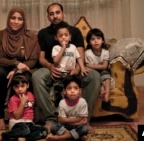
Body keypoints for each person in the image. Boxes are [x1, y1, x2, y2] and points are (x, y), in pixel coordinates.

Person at [31, 2, 101, 133]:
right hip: (53, 68)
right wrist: (51, 66)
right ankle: (50, 119)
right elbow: (41, 58)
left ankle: (85, 120)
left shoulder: (75, 31)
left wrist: (77, 69)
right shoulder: (43, 33)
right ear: (48, 17)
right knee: (37, 76)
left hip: (72, 69)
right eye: (51, 14)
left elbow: (80, 54)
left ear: (63, 14)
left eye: (57, 13)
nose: (55, 16)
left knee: (94, 76)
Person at [0, 7, 40, 130]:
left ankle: (25, 117)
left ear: (24, 21)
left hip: (23, 68)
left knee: (26, 78)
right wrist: (15, 63)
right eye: (13, 18)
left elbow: (33, 59)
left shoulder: (31, 36)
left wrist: (17, 70)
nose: (16, 21)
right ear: (8, 19)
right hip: (5, 66)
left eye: (20, 19)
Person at [0, 73, 47, 141]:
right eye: (17, 87)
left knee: (44, 130)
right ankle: (3, 136)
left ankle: (23, 138)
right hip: (17, 123)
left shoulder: (30, 95)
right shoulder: (13, 99)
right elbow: (17, 116)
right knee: (25, 129)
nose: (20, 89)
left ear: (27, 85)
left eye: (22, 86)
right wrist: (22, 103)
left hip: (29, 124)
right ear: (13, 88)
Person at [51, 21, 88, 107]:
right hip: (60, 75)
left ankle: (74, 108)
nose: (63, 38)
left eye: (66, 35)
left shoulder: (73, 47)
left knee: (73, 92)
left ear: (70, 37)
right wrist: (63, 48)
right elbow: (55, 61)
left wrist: (82, 68)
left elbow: (78, 58)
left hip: (71, 75)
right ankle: (58, 111)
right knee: (59, 94)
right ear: (56, 38)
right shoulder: (56, 48)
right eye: (60, 36)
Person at [46, 75, 88, 141]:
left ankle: (60, 138)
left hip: (77, 126)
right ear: (64, 91)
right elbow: (60, 120)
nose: (72, 91)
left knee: (84, 129)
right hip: (65, 127)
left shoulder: (82, 102)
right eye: (69, 88)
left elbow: (82, 119)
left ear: (80, 91)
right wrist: (78, 121)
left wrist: (66, 120)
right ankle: (76, 136)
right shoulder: (62, 103)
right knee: (54, 127)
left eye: (75, 88)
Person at [85, 28, 111, 102]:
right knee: (96, 77)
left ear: (102, 41)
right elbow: (89, 67)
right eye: (93, 39)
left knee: (106, 74)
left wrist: (92, 65)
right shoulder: (88, 53)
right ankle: (102, 91)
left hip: (104, 70)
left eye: (98, 38)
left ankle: (107, 93)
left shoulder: (105, 52)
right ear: (89, 42)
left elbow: (105, 66)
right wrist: (98, 66)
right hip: (94, 72)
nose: (96, 41)